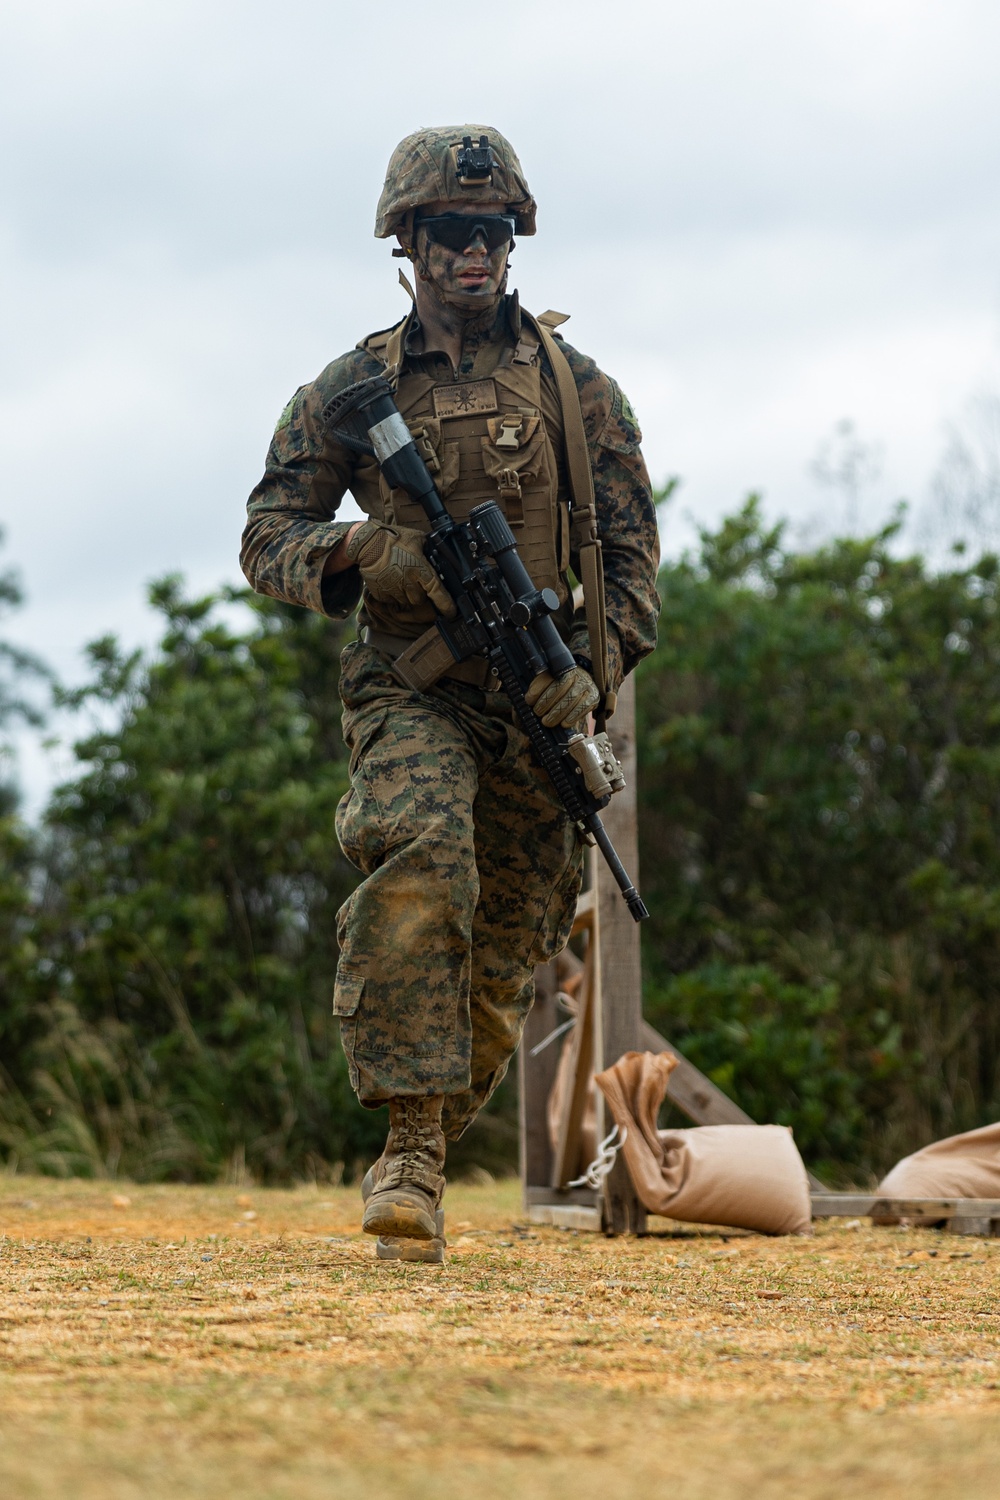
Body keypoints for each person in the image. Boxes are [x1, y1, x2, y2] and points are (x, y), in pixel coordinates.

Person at [241, 125, 660, 1262]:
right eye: (448, 234)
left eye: (489, 233)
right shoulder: (350, 390)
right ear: (409, 242)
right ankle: (410, 1157)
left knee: (502, 960)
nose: (471, 254)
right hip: (409, 684)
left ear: (512, 239)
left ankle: (427, 1129)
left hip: (536, 696)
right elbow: (265, 539)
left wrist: (591, 672)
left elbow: (629, 568)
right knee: (421, 857)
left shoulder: (581, 392)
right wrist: (367, 555)